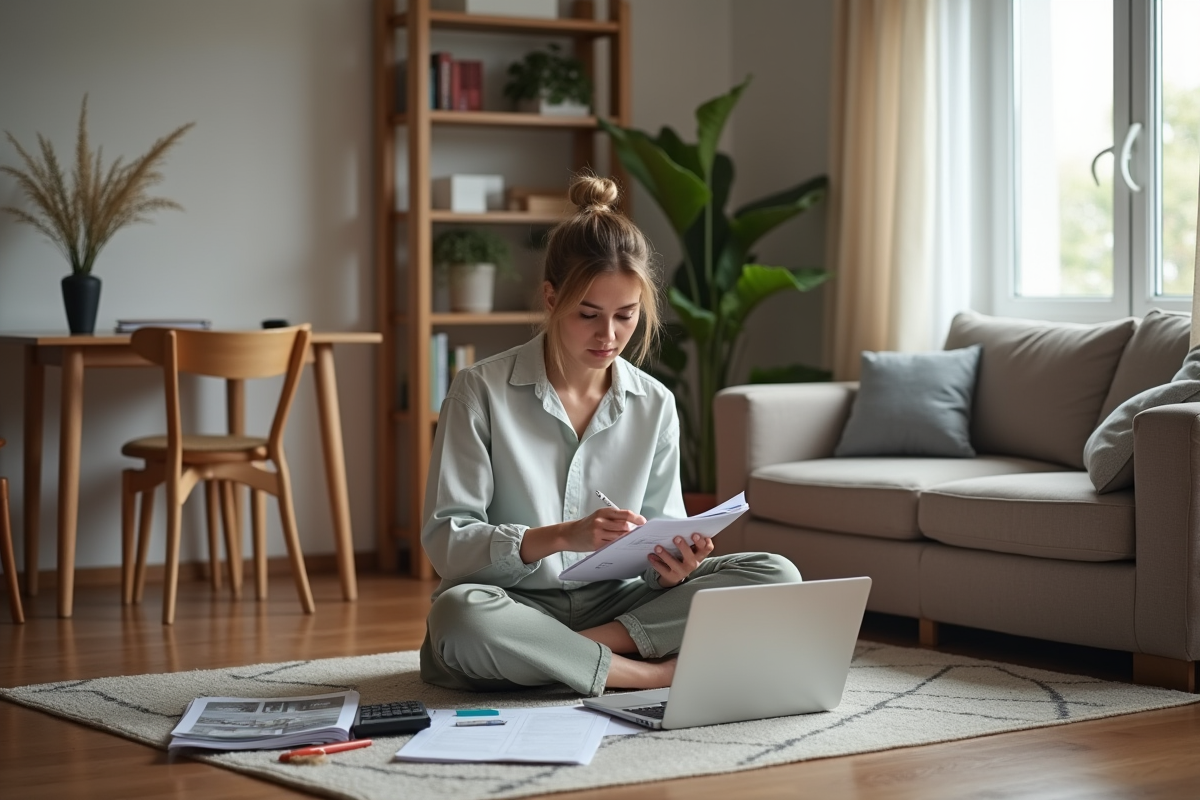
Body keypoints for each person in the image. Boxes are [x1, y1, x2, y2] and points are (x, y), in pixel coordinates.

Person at [419, 174, 802, 697]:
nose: (609, 336)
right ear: (552, 299)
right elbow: (448, 543)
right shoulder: (478, 391)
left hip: (618, 604)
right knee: (460, 617)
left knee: (775, 574)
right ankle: (646, 673)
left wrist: (671, 567)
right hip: (512, 600)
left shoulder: (655, 403)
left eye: (626, 316)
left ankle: (558, 651)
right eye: (589, 315)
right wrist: (561, 536)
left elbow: (657, 543)